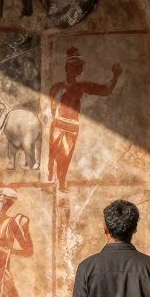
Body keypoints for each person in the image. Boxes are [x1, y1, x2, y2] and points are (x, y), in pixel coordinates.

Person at [48, 47, 122, 191]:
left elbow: (105, 90)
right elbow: (50, 107)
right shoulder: (57, 87)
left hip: (72, 126)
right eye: (70, 65)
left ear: (79, 70)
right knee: (54, 154)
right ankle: (51, 179)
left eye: (76, 67)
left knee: (66, 155)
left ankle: (61, 180)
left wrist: (116, 76)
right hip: (58, 123)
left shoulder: (81, 87)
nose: (73, 69)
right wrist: (54, 118)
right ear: (65, 68)